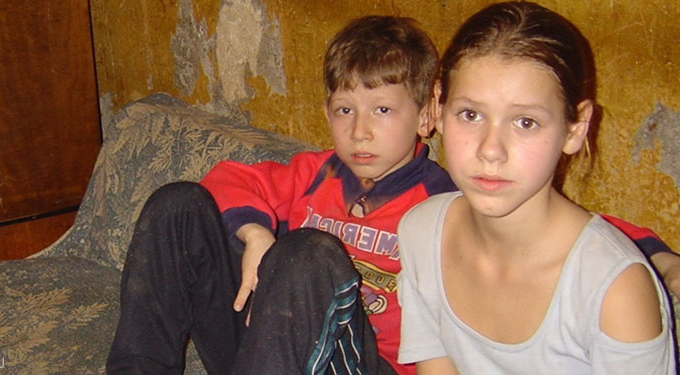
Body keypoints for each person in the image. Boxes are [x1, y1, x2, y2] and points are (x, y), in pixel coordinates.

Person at [107, 14, 678, 375]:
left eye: (383, 110)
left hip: (363, 361)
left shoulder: (451, 192)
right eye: (345, 110)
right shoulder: (316, 172)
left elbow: (571, 227)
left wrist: (661, 258)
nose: (360, 131)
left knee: (307, 253)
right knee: (178, 204)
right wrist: (254, 231)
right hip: (267, 345)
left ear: (427, 113)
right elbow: (230, 179)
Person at [396, 2, 676, 374]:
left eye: (525, 122)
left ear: (574, 130)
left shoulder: (612, 289)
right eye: (471, 114)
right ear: (438, 109)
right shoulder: (421, 232)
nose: (490, 150)